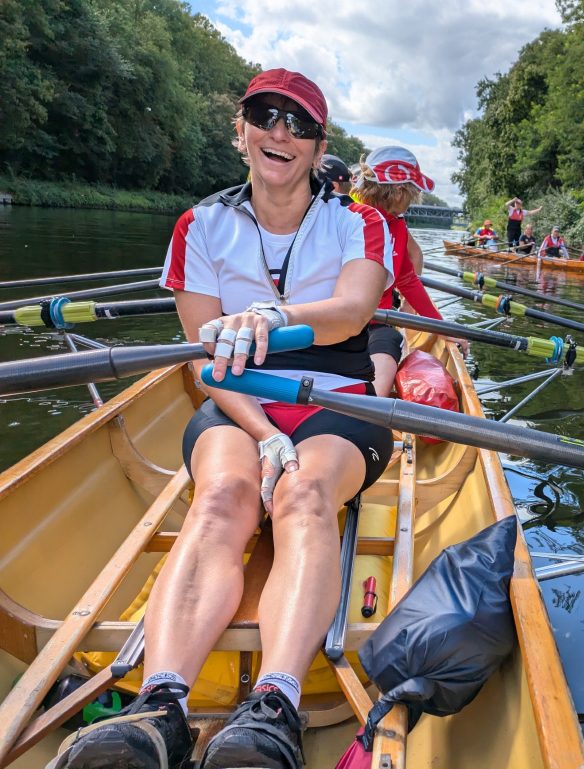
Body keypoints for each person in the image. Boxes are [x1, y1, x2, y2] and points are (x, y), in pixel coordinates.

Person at [57, 68, 396, 769]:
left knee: (303, 496)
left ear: (317, 145)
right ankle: (161, 707)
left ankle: (275, 703)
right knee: (220, 499)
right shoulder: (200, 225)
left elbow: (357, 309)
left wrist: (280, 316)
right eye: (266, 115)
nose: (281, 132)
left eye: (299, 124)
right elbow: (204, 365)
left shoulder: (359, 222)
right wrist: (266, 433)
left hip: (339, 402)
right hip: (238, 404)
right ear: (239, 129)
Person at [353, 146, 467, 397]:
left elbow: (407, 280)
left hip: (378, 324)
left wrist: (444, 329)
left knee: (391, 342)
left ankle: (372, 403)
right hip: (341, 320)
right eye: (412, 193)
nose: (413, 200)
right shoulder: (348, 218)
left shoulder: (398, 226)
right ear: (398, 190)